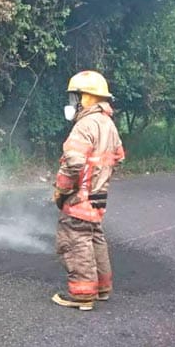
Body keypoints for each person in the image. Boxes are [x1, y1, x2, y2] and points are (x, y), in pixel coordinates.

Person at [51, 70, 125, 311]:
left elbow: (72, 163)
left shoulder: (85, 125)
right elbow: (119, 157)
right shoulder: (108, 124)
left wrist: (61, 192)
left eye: (75, 97)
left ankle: (82, 295)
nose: (72, 103)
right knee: (94, 238)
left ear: (87, 98)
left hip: (80, 196)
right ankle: (102, 288)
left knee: (75, 239)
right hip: (99, 196)